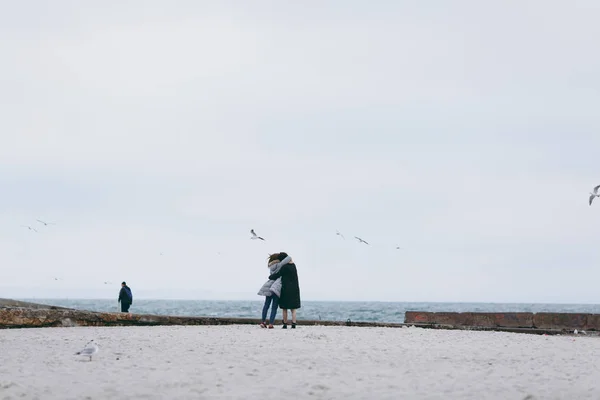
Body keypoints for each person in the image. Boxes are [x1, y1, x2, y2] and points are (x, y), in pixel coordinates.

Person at [257, 253, 291, 328]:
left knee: (266, 305)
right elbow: (288, 258)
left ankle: (263, 322)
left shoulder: (271, 266)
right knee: (274, 307)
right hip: (276, 287)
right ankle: (271, 324)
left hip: (269, 286)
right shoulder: (279, 265)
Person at [268, 252, 301, 329]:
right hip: (295, 289)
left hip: (285, 289)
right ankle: (293, 324)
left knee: (284, 308)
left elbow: (278, 274)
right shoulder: (294, 266)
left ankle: (285, 324)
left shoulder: (284, 267)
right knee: (293, 309)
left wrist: (270, 276)